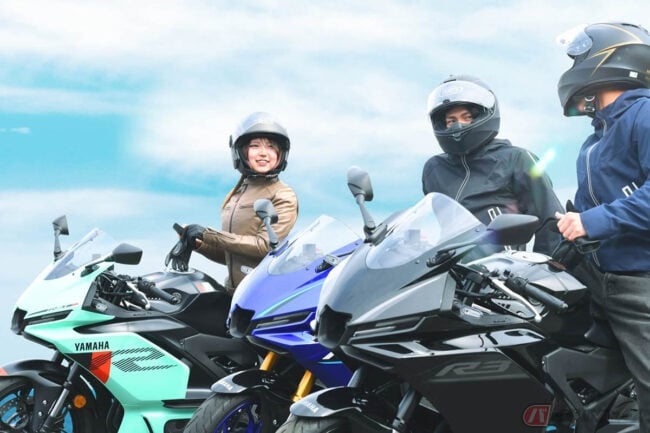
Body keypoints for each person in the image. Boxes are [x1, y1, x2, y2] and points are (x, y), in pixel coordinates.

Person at [554, 22, 650, 432]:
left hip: (639, 280)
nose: (573, 67)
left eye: (578, 57)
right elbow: (589, 208)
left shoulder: (643, 114)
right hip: (602, 278)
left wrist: (591, 222)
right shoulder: (595, 139)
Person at [421, 74, 563, 256]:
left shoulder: (517, 159)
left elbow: (550, 221)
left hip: (501, 268)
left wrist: (544, 267)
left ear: (482, 115)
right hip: (451, 268)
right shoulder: (434, 169)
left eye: (467, 117)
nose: (458, 125)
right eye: (451, 120)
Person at [166, 111, 299, 294]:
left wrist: (207, 234)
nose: (263, 153)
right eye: (255, 146)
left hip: (263, 295)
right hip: (234, 293)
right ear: (241, 152)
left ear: (280, 153)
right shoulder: (236, 194)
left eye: (271, 147)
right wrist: (198, 243)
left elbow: (264, 246)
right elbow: (233, 255)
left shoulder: (283, 194)